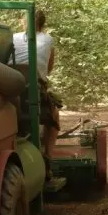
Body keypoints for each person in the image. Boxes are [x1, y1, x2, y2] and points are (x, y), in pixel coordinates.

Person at [12, 10, 63, 185]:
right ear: (43, 24)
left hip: (8, 85)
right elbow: (48, 69)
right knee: (54, 117)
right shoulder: (48, 40)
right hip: (33, 88)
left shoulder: (12, 37)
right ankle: (47, 159)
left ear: (22, 21)